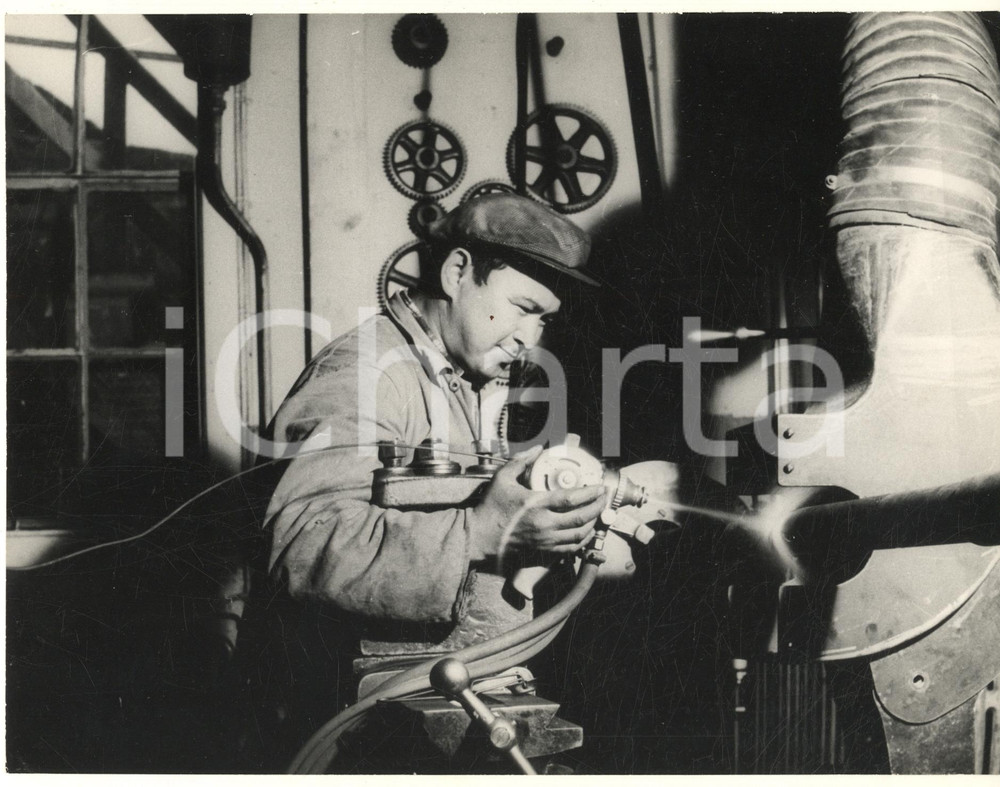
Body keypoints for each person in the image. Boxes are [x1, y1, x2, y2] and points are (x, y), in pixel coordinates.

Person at [265, 193, 608, 631]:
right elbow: (300, 546)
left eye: (544, 319)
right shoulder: (368, 374)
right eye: (523, 309)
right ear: (457, 272)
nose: (530, 338)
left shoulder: (456, 373)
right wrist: (482, 531)